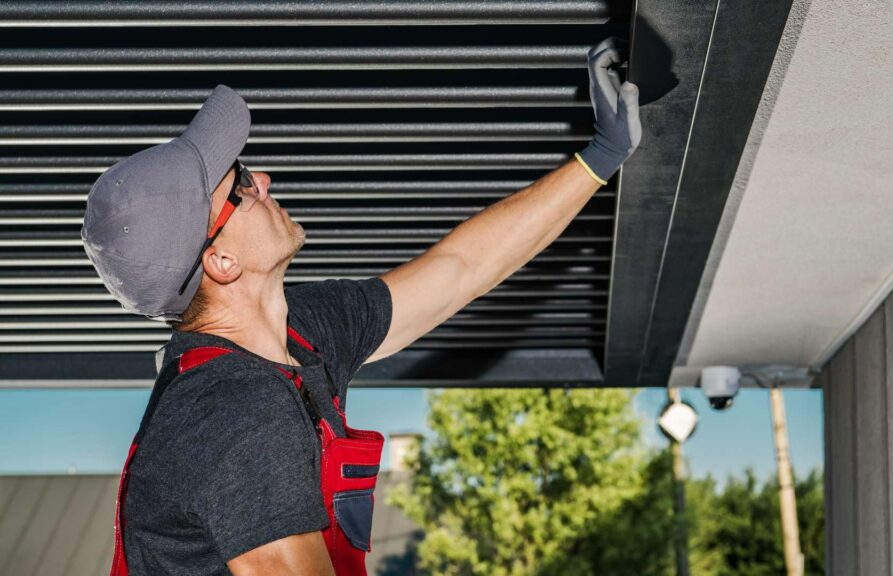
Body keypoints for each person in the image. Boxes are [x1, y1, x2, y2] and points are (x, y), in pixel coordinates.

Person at [81, 36, 641, 575]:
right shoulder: (234, 413)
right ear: (222, 263)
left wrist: (598, 159)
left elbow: (459, 271)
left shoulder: (297, 332)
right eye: (242, 186)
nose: (264, 181)